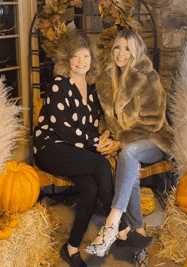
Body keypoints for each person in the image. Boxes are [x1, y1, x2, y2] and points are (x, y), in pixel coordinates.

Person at [84, 29, 173, 260]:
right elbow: (107, 117)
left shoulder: (148, 77)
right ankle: (138, 232)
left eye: (127, 48)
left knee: (129, 151)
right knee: (128, 159)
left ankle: (112, 224)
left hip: (154, 140)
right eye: (117, 47)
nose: (121, 53)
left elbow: (153, 122)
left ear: (136, 51)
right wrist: (105, 133)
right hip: (127, 147)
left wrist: (119, 141)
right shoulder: (107, 78)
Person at [33, 31, 114, 267]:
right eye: (76, 56)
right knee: (102, 164)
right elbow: (63, 129)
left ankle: (70, 249)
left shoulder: (90, 89)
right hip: (50, 147)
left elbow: (90, 126)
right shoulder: (59, 85)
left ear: (92, 60)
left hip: (73, 150)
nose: (81, 61)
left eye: (86, 56)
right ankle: (115, 227)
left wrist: (104, 135)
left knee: (89, 188)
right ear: (67, 60)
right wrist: (96, 144)